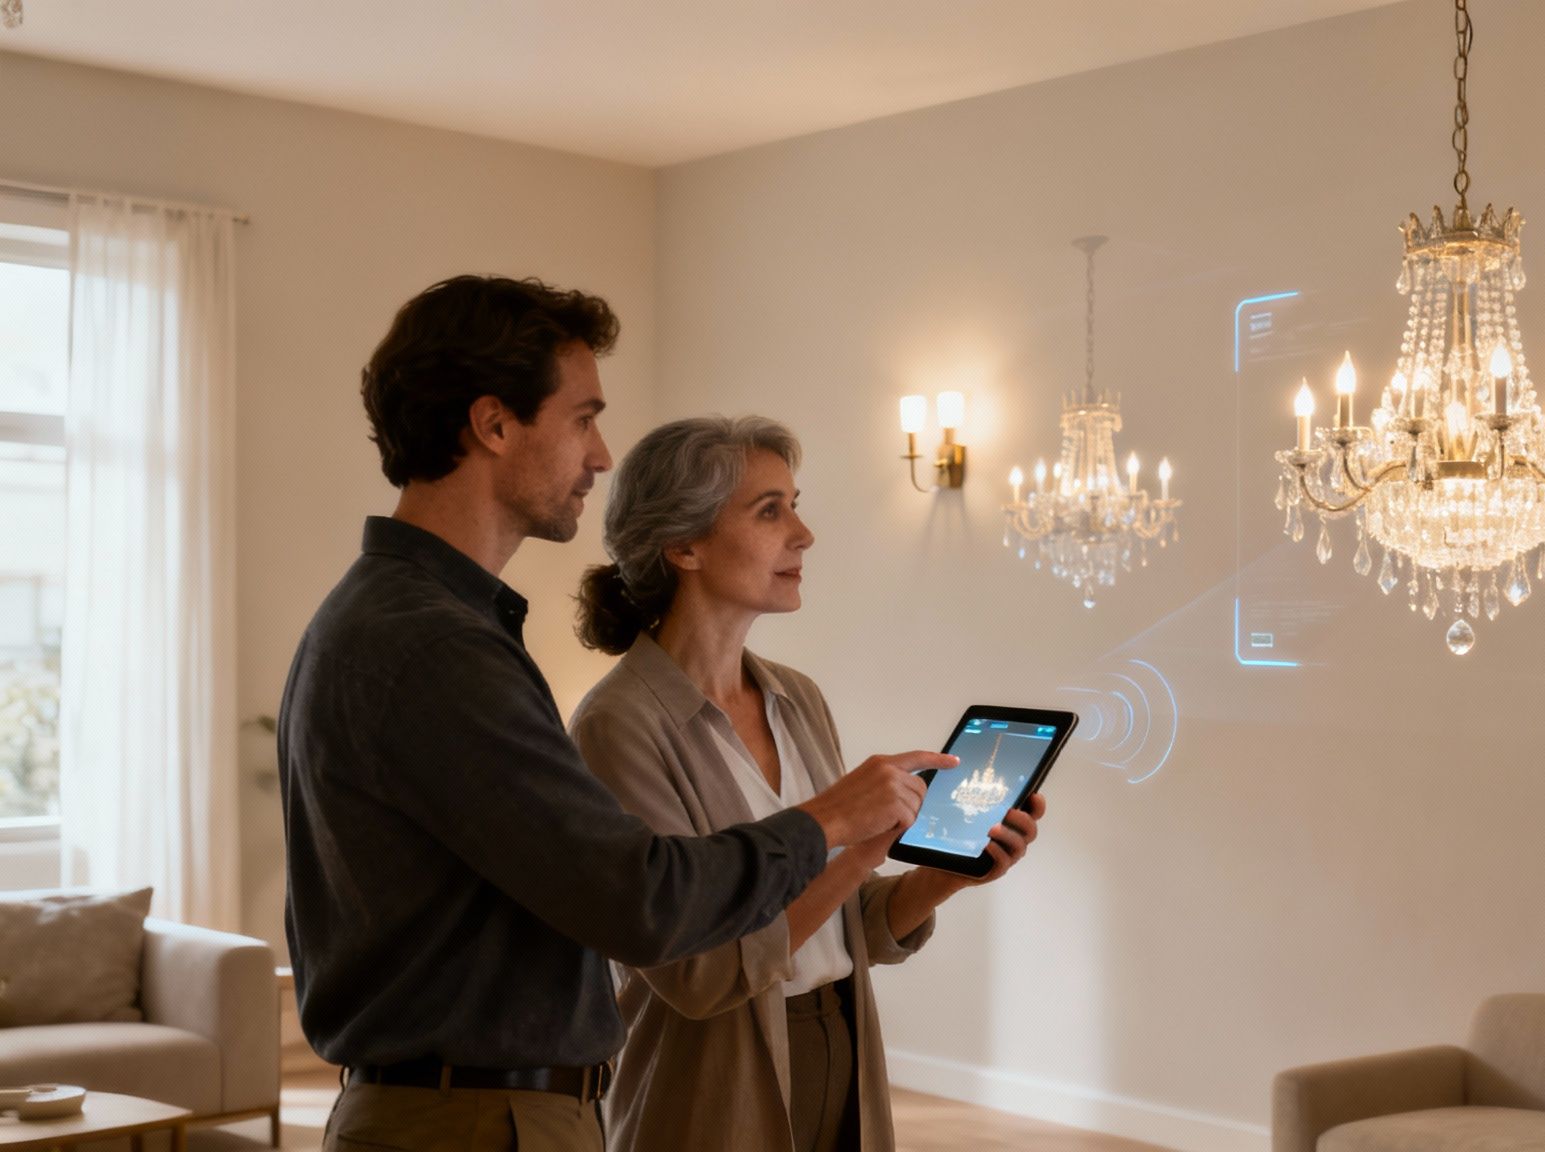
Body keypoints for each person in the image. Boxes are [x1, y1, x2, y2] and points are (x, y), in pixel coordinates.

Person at [278, 277, 931, 1152]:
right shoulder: (433, 645)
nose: (600, 455)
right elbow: (641, 903)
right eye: (583, 418)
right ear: (494, 424)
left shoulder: (411, 622)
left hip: (488, 1112)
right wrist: (831, 821)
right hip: (478, 1123)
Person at [570, 416, 1046, 1152]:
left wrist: (946, 876)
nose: (804, 533)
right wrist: (843, 832)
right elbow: (700, 974)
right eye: (770, 510)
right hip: (706, 1084)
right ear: (683, 545)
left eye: (794, 503)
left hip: (840, 1044)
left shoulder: (797, 698)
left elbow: (849, 922)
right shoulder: (618, 725)